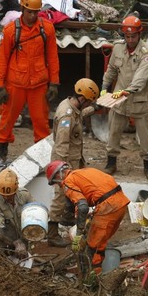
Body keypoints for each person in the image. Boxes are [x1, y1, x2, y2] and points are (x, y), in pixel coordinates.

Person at [0, 0, 60, 164]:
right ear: (22, 9)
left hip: (38, 84)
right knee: (7, 119)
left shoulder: (47, 30)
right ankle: (2, 151)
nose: (32, 15)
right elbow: (2, 59)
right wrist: (0, 85)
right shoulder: (10, 31)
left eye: (36, 12)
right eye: (30, 11)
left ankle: (42, 158)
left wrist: (54, 83)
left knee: (41, 122)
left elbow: (52, 57)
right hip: (15, 83)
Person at [46, 160, 130, 274]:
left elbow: (82, 206)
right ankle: (98, 273)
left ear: (58, 175)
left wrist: (79, 233)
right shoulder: (84, 172)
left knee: (92, 247)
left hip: (108, 207)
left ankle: (92, 278)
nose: (59, 185)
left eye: (56, 182)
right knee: (101, 241)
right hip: (121, 204)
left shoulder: (68, 182)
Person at [101, 14, 148, 182]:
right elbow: (111, 69)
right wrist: (104, 88)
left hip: (141, 99)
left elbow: (140, 79)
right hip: (120, 100)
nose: (131, 39)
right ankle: (111, 162)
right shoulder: (118, 48)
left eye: (134, 36)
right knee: (113, 132)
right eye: (127, 36)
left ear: (140, 34)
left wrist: (125, 92)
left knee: (146, 136)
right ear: (123, 35)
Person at [45, 78, 99, 247]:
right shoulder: (66, 116)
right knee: (61, 196)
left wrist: (94, 109)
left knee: (77, 189)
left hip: (74, 159)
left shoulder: (72, 106)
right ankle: (52, 234)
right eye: (89, 101)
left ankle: (68, 217)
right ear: (82, 99)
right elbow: (61, 145)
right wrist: (63, 171)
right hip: (65, 162)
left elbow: (79, 115)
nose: (88, 103)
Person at [0, 169, 35, 258]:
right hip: (2, 248)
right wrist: (16, 243)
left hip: (22, 244)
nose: (6, 197)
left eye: (10, 195)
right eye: (3, 194)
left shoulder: (25, 195)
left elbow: (35, 213)